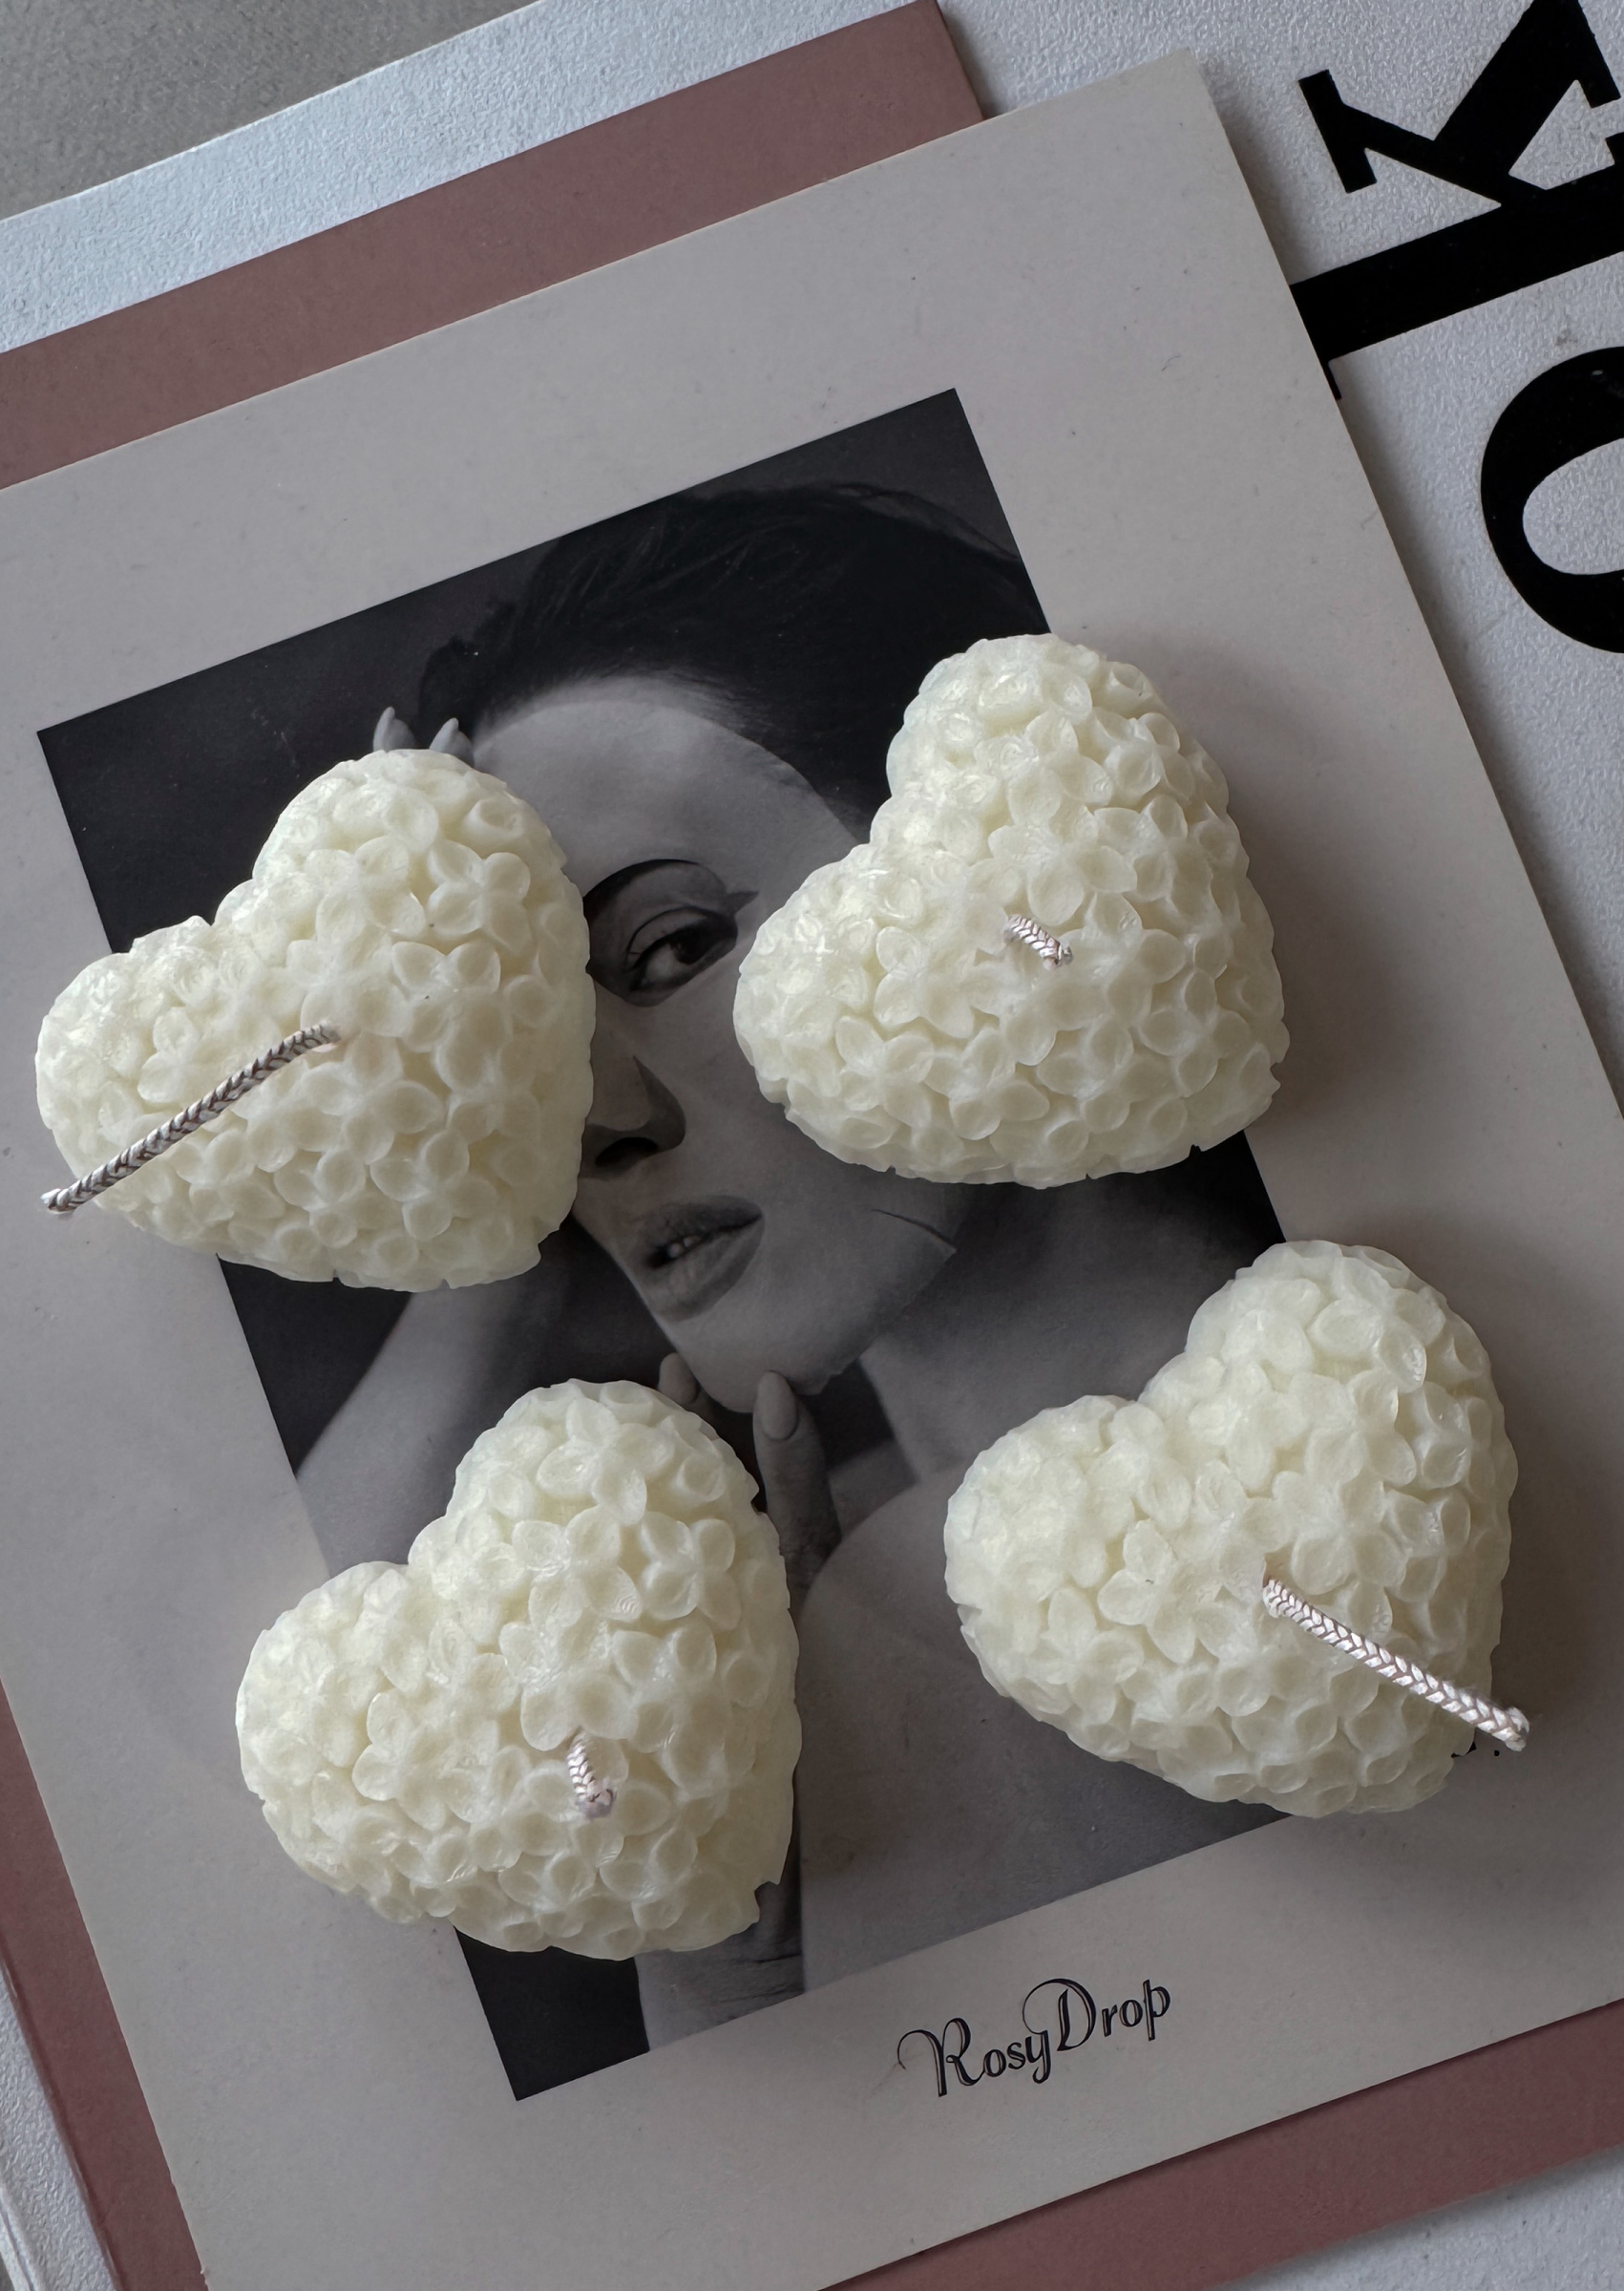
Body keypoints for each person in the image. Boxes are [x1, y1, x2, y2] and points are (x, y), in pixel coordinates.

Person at [300, 484, 1277, 2046]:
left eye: (674, 948)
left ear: (971, 874)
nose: (592, 1122)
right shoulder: (821, 1636)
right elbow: (317, 1725)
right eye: (527, 1039)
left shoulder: (1217, 1530)